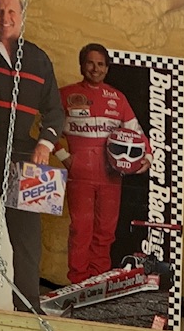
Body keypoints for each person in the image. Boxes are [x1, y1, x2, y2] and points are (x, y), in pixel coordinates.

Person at [0, 0, 65, 308]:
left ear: (22, 17)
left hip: (25, 152)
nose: (4, 18)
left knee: (26, 238)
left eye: (11, 11)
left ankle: (27, 305)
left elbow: (55, 111)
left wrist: (45, 144)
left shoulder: (38, 58)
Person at [60, 43, 143, 284]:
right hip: (80, 173)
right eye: (90, 63)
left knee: (106, 231)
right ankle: (77, 281)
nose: (95, 69)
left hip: (111, 173)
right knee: (80, 230)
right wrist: (66, 158)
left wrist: (145, 158)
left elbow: (136, 133)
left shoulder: (117, 97)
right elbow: (48, 127)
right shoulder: (65, 94)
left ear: (107, 68)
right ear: (81, 65)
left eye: (100, 64)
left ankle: (98, 282)